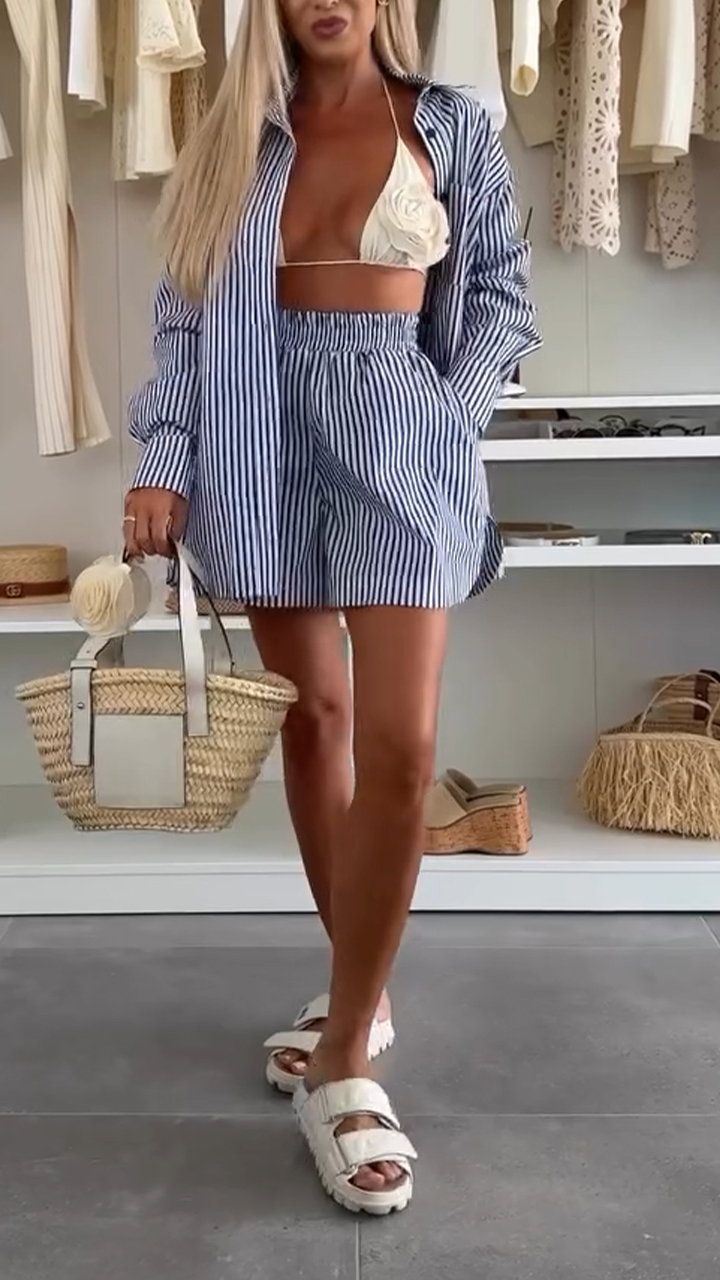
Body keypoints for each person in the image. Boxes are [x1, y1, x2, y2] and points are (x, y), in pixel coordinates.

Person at [123, 0, 540, 1216]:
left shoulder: (449, 126)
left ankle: (345, 1054)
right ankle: (360, 997)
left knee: (403, 748)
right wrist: (161, 458)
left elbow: (502, 293)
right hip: (252, 437)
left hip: (398, 435)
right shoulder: (229, 140)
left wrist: (443, 413)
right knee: (313, 722)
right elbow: (182, 318)